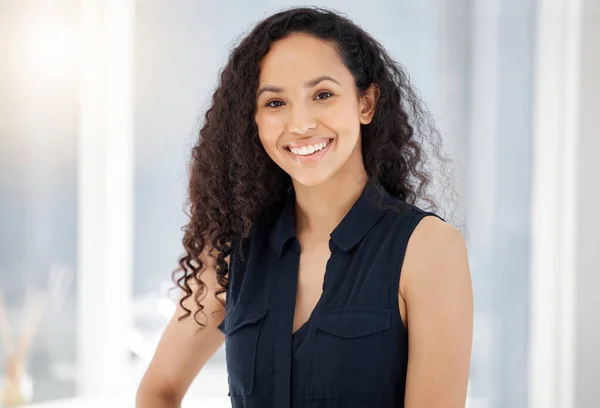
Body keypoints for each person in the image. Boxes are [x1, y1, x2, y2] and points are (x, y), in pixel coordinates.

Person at [136, 6, 473, 408]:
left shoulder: (429, 250)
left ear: (366, 104)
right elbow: (158, 390)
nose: (300, 124)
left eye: (323, 95)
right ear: (254, 121)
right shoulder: (232, 251)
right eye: (275, 103)